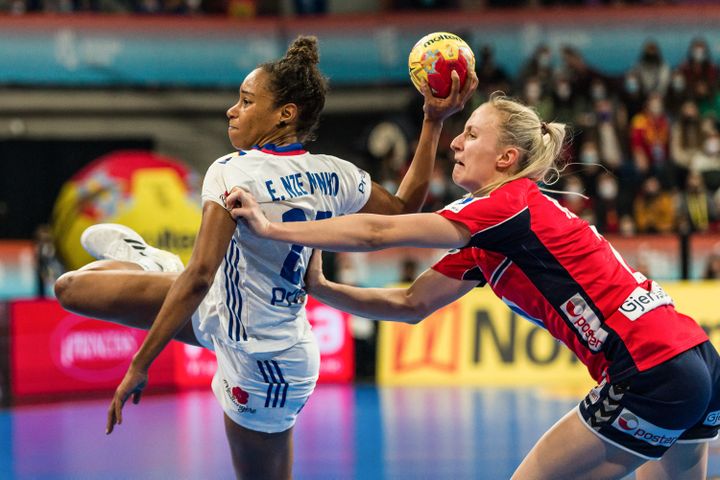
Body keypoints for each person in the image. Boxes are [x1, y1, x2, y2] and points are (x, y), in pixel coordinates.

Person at [228, 92, 720, 480]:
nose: (455, 145)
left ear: (506, 157)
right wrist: (321, 285)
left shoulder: (506, 205)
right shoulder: (497, 235)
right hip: (694, 357)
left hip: (650, 368)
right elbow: (411, 303)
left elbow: (379, 230)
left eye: (469, 134)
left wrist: (273, 229)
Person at [53, 36, 478, 480]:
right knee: (72, 289)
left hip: (266, 358)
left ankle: (163, 270)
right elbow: (404, 207)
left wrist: (140, 364)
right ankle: (156, 264)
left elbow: (199, 275)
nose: (231, 110)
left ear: (285, 114)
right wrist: (432, 122)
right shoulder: (334, 173)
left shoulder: (233, 172)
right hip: (221, 307)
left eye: (245, 100)